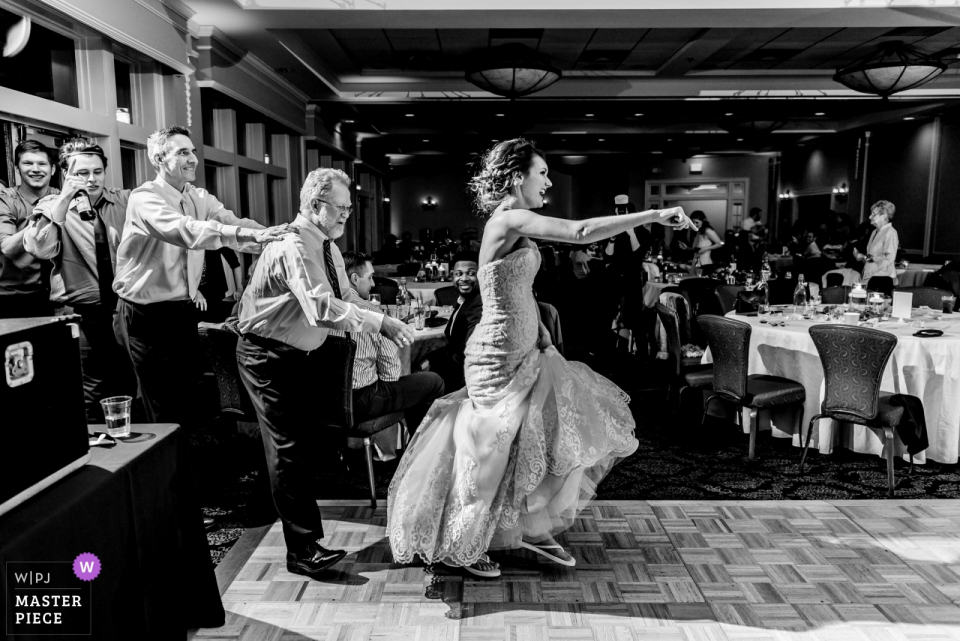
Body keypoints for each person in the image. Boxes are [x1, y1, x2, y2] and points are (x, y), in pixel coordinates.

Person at [387, 138, 694, 578]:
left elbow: (518, 289)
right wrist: (653, 215)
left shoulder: (518, 226)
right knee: (491, 452)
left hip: (526, 349)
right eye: (543, 172)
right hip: (496, 355)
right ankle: (463, 542)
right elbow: (580, 232)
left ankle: (514, 528)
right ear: (518, 177)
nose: (548, 181)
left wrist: (544, 334)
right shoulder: (508, 220)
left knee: (540, 439)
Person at [237, 168, 415, 579]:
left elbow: (346, 296)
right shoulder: (295, 245)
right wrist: (382, 326)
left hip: (301, 354)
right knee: (287, 448)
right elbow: (321, 308)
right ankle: (301, 550)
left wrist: (384, 314)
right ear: (316, 206)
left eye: (349, 209)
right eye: (341, 208)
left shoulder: (328, 246)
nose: (346, 216)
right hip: (267, 354)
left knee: (301, 444)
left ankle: (269, 513)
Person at [113, 125, 289, 430]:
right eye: (183, 152)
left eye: (193, 151)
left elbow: (233, 223)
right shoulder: (145, 198)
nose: (193, 158)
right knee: (159, 405)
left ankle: (185, 470)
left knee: (187, 398)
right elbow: (185, 231)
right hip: (144, 314)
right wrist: (251, 235)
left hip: (181, 311)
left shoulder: (199, 197)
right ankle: (161, 473)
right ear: (159, 159)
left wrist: (272, 237)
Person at [23, 139, 137, 422]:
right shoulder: (51, 204)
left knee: (129, 383)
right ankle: (97, 456)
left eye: (97, 171)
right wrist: (65, 198)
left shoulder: (126, 201)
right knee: (89, 391)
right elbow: (40, 248)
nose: (92, 179)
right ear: (65, 174)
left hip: (125, 310)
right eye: (82, 173)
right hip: (79, 313)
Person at [334, 250, 445, 429]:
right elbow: (391, 375)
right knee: (433, 382)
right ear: (354, 279)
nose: (373, 284)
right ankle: (417, 451)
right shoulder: (373, 314)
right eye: (370, 277)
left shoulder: (323, 309)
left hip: (324, 400)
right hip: (361, 402)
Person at [0, 140, 58, 318]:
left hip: (54, 296)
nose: (35, 169)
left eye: (42, 163)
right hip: (11, 298)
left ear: (52, 169)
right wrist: (40, 220)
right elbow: (7, 248)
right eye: (27, 163)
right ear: (17, 169)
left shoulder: (61, 198)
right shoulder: (6, 200)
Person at [420, 250, 483, 391]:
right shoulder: (464, 301)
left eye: (471, 273)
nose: (464, 278)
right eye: (458, 274)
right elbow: (453, 343)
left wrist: (432, 365)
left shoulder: (478, 306)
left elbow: (470, 352)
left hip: (461, 381)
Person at [855, 199, 899, 286]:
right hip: (870, 277)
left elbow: (889, 259)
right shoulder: (875, 232)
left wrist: (866, 258)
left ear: (883, 216)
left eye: (873, 214)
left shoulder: (890, 232)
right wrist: (863, 258)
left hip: (882, 279)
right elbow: (873, 257)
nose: (870, 217)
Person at [197, 247, 243, 322]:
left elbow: (235, 263)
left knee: (216, 322)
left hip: (216, 290)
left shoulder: (216, 237)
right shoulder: (187, 238)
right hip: (194, 293)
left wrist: (239, 289)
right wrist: (195, 291)